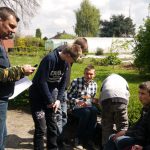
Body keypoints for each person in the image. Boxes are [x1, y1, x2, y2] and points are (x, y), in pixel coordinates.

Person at [29, 44, 82, 150]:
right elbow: (42, 81)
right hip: (37, 97)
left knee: (52, 126)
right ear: (67, 54)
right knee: (41, 128)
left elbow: (63, 83)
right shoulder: (50, 59)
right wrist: (50, 100)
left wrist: (58, 99)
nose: (72, 62)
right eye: (72, 59)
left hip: (51, 98)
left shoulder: (66, 63)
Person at [0, 7, 36, 150]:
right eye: (11, 26)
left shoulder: (2, 42)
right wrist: (20, 71)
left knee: (3, 136)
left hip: (3, 97)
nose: (14, 30)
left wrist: (17, 70)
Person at [54, 37, 88, 148]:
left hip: (63, 89)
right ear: (79, 48)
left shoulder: (71, 54)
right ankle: (57, 141)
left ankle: (61, 139)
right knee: (59, 116)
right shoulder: (63, 51)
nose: (81, 56)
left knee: (63, 116)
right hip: (57, 90)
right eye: (83, 52)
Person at [103, 81, 150, 150]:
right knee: (113, 137)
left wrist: (143, 148)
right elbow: (138, 126)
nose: (139, 96)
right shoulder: (145, 109)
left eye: (143, 94)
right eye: (139, 93)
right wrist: (125, 132)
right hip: (138, 138)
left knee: (119, 141)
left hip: (142, 143)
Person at [67, 64, 98, 150]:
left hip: (87, 106)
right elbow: (67, 96)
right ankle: (78, 139)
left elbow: (90, 98)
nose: (89, 76)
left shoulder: (94, 84)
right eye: (87, 74)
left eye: (91, 74)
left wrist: (94, 100)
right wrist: (77, 101)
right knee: (86, 112)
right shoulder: (76, 81)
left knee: (94, 110)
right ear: (84, 73)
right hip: (75, 107)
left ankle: (88, 139)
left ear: (94, 75)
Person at [99, 73, 130, 147]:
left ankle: (106, 146)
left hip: (106, 99)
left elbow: (100, 98)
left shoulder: (105, 81)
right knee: (122, 126)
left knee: (106, 126)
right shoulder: (123, 80)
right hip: (122, 100)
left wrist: (104, 111)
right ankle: (122, 146)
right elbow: (127, 96)